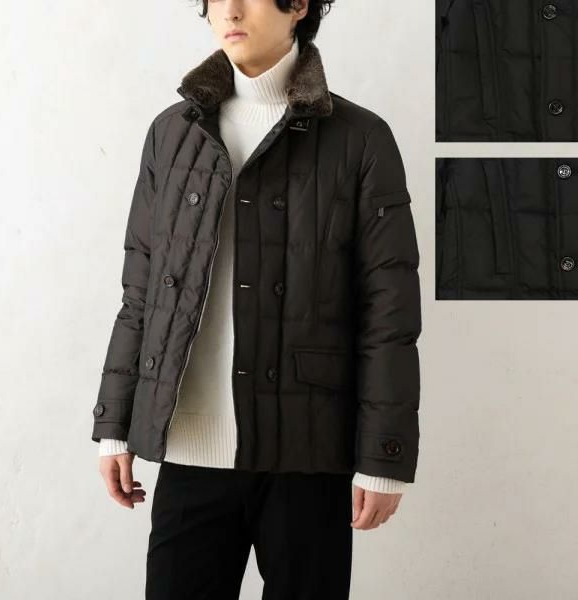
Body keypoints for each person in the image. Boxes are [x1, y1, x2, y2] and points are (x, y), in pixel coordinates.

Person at [93, 1, 422, 598]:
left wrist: (384, 456)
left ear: (299, 6)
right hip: (189, 452)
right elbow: (140, 291)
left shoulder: (359, 139)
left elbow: (388, 312)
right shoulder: (172, 133)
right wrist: (115, 424)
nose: (230, 10)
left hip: (306, 455)